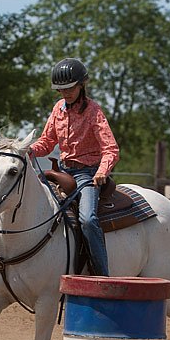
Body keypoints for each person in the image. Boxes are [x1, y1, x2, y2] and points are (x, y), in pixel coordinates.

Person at [28, 58, 119, 276]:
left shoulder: (93, 112)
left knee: (87, 219)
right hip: (62, 171)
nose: (65, 93)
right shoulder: (58, 109)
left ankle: (101, 274)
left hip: (87, 174)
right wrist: (28, 150)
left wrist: (101, 172)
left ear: (81, 85)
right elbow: (47, 141)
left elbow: (111, 149)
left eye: (69, 88)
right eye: (61, 89)